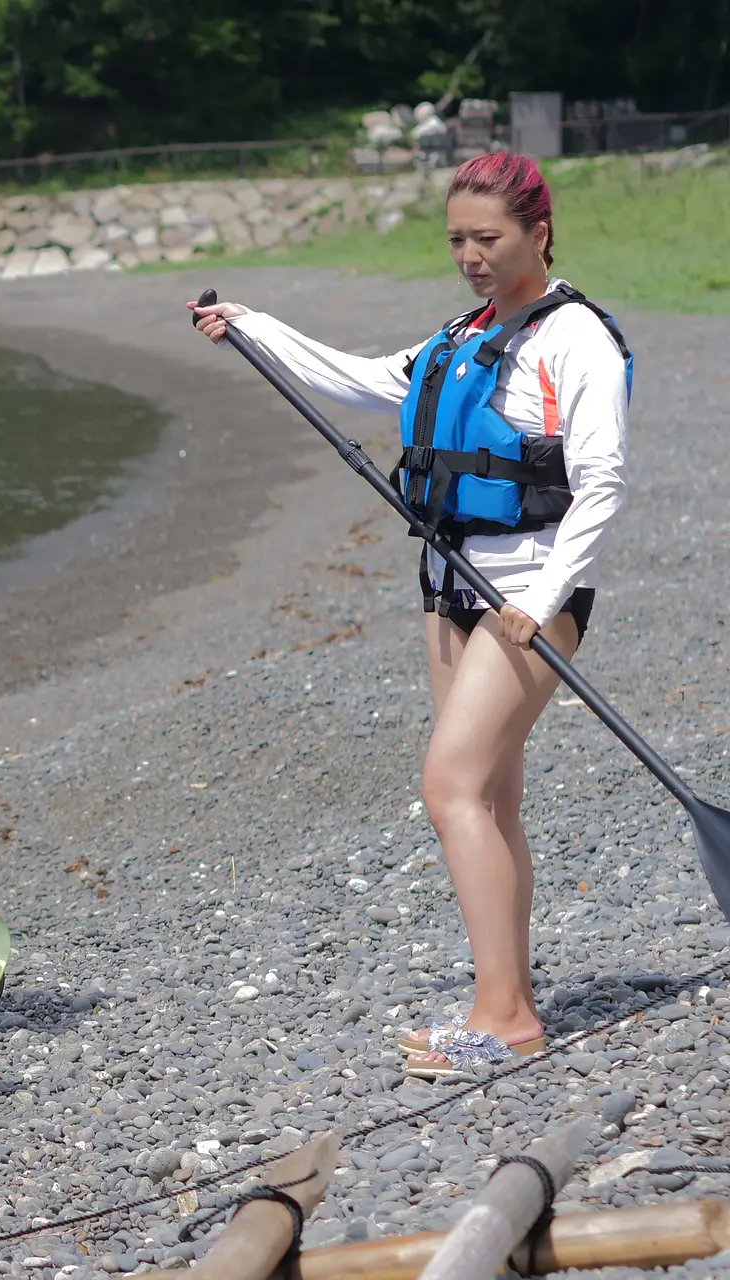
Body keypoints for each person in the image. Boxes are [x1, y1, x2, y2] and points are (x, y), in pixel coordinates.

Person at [190, 153, 630, 1079]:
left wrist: (541, 602)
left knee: (450, 788)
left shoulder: (573, 338)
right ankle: (510, 1003)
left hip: (527, 593)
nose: (470, 256)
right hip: (450, 587)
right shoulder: (467, 331)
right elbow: (368, 383)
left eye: (489, 238)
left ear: (537, 232)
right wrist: (252, 329)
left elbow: (601, 485)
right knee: (490, 794)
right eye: (458, 240)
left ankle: (501, 1017)